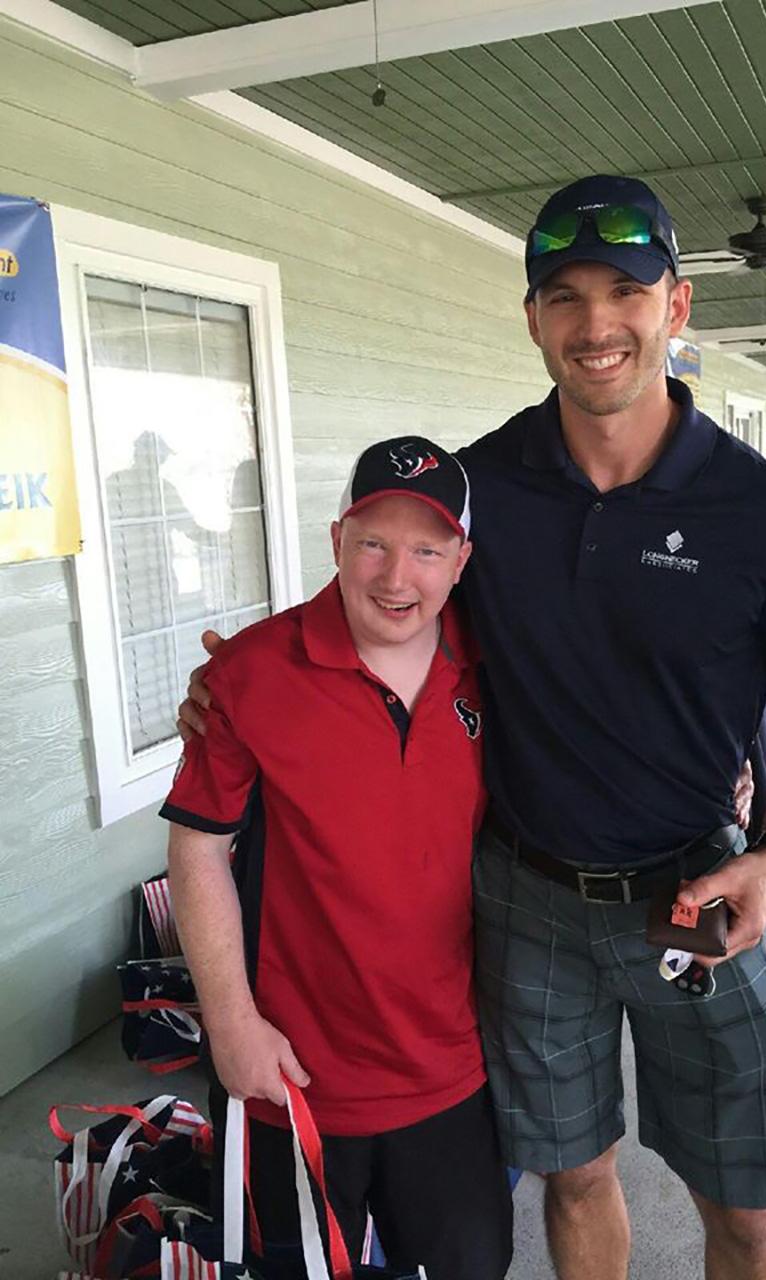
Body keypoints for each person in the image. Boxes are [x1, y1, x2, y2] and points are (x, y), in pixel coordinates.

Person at [182, 175, 766, 1280]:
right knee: (574, 1174)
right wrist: (235, 680)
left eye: (625, 291)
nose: (596, 324)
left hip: (695, 889)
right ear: (534, 320)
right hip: (524, 895)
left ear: (678, 308)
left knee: (743, 1209)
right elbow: (383, 598)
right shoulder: (485, 489)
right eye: (564, 297)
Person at [163, 439, 513, 1280]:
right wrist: (230, 1024)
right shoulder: (250, 674)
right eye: (373, 544)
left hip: (452, 1065)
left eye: (427, 549)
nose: (397, 577)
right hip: (292, 1078)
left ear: (462, 560)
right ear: (336, 541)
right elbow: (198, 852)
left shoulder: (499, 664)